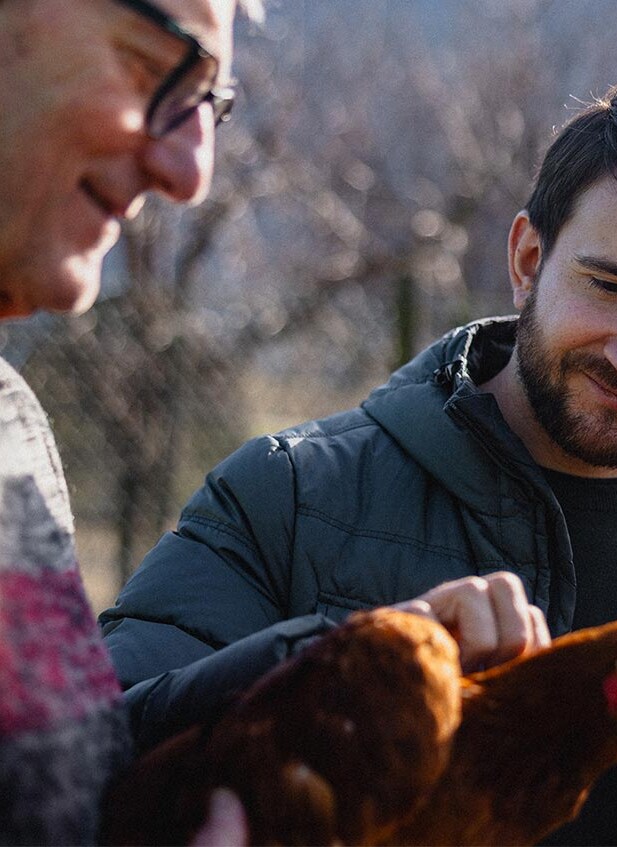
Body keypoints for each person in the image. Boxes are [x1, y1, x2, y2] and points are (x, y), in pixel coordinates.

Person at [101, 80, 617, 846]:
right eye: (608, 285)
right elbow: (86, 751)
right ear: (529, 259)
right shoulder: (290, 497)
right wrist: (347, 657)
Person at [0, 1, 545, 842]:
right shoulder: (283, 488)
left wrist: (340, 666)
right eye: (152, 69)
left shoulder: (14, 429)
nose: (192, 173)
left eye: (210, 106)